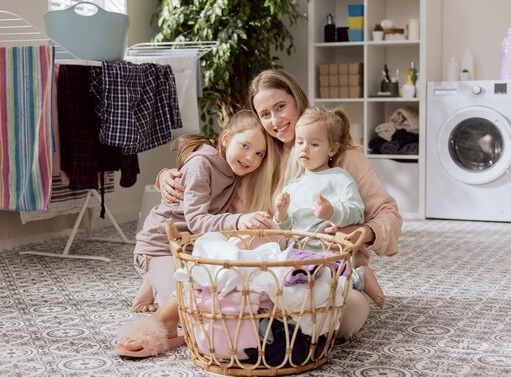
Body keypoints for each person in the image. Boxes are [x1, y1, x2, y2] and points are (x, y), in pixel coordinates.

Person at [157, 69, 402, 338]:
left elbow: (388, 214)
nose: (275, 120)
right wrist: (167, 175)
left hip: (331, 268)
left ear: (297, 99)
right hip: (271, 267)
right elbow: (213, 164)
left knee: (342, 319)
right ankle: (252, 317)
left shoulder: (342, 157)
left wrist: (363, 233)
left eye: (281, 107)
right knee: (229, 278)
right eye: (265, 114)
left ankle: (264, 318)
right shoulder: (257, 156)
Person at [117, 110, 276, 357]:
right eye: (244, 146)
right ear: (225, 139)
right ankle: (160, 316)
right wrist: (241, 220)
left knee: (210, 288)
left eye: (258, 154)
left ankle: (153, 282)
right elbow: (197, 220)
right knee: (191, 301)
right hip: (158, 245)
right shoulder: (202, 164)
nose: (249, 157)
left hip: (185, 248)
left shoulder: (234, 171)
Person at [273, 106, 384, 308]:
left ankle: (360, 276)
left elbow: (357, 212)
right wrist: (280, 215)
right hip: (298, 252)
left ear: (331, 149)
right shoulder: (293, 186)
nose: (304, 148)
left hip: (328, 251)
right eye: (300, 143)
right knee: (284, 276)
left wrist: (332, 212)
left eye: (314, 144)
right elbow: (285, 230)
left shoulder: (339, 178)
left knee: (332, 277)